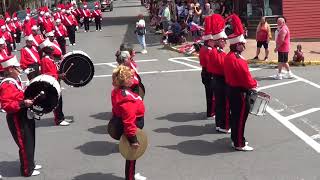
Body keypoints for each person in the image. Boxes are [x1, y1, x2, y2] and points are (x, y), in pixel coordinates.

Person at [0, 55, 42, 177]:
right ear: (10, 69)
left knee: (30, 140)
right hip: (16, 117)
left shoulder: (16, 80)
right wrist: (23, 103)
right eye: (17, 67)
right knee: (24, 143)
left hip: (23, 113)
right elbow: (6, 105)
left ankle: (30, 163)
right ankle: (27, 170)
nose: (20, 68)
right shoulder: (7, 84)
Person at [224, 14, 257, 151]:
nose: (244, 46)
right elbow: (246, 78)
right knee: (240, 119)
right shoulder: (238, 60)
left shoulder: (228, 57)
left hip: (231, 89)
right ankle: (239, 143)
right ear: (237, 45)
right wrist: (254, 84)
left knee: (235, 117)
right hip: (240, 92)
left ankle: (236, 139)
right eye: (242, 44)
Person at [111, 65, 147, 180]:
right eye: (130, 77)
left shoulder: (118, 91)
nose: (133, 79)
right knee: (131, 155)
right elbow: (129, 121)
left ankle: (131, 174)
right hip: (132, 129)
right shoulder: (127, 99)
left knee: (131, 157)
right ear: (125, 80)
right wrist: (133, 139)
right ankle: (130, 177)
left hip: (129, 126)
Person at [39, 39, 72, 126]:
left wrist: (59, 74)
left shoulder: (50, 58)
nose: (53, 48)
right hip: (51, 84)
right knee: (56, 102)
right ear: (46, 49)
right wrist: (58, 76)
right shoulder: (45, 60)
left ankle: (61, 117)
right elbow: (47, 74)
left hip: (55, 82)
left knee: (59, 101)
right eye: (50, 47)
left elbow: (53, 71)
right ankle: (59, 119)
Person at [210, 14, 230, 133]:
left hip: (216, 79)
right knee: (222, 104)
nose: (225, 42)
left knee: (219, 104)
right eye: (224, 40)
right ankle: (223, 125)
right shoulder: (219, 53)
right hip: (221, 80)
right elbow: (224, 68)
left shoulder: (214, 51)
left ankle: (219, 124)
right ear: (219, 41)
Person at [199, 15, 214, 118]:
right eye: (213, 41)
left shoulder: (204, 48)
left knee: (209, 94)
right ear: (209, 41)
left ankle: (210, 111)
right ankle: (210, 112)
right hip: (209, 73)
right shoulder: (208, 51)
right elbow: (211, 64)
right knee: (211, 95)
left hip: (205, 72)